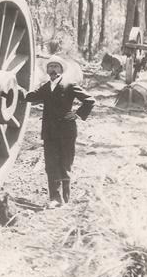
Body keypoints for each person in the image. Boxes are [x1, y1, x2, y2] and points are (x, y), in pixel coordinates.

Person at [21, 57, 95, 208]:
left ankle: (66, 197)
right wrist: (12, 92)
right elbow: (30, 97)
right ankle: (55, 198)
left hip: (66, 131)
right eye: (50, 67)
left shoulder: (69, 85)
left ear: (61, 70)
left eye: (56, 67)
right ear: (47, 71)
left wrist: (77, 114)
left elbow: (89, 100)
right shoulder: (45, 87)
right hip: (49, 131)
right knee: (50, 165)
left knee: (65, 163)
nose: (53, 69)